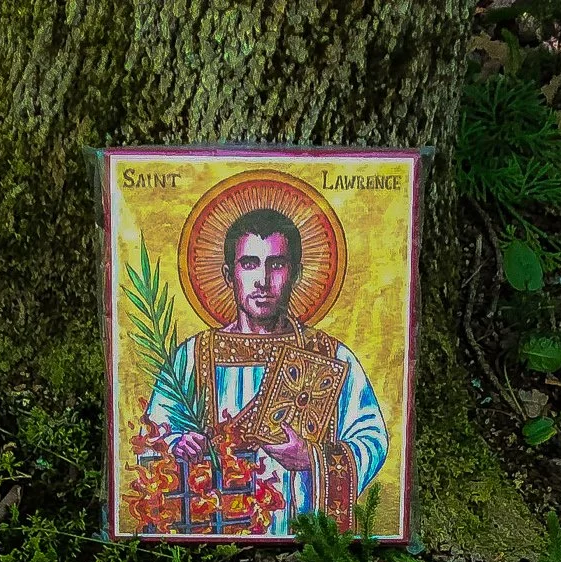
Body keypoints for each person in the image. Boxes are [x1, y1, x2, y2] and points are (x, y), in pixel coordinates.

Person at [144, 206, 387, 535]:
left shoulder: (330, 356)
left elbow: (372, 438)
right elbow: (154, 436)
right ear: (229, 274)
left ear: (295, 273)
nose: (262, 280)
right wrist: (179, 445)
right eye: (249, 264)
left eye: (276, 264)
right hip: (220, 537)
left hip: (303, 537)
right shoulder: (192, 357)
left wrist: (311, 458)